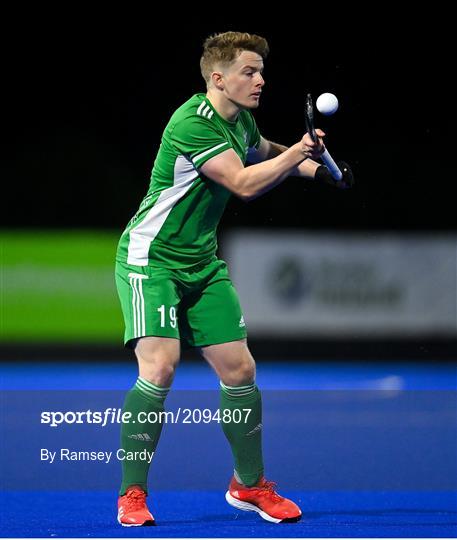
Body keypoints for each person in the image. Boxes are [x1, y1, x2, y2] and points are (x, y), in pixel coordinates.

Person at [114, 30, 353, 527]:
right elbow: (243, 183)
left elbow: (263, 152)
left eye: (261, 70)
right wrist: (301, 153)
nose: (260, 79)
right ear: (217, 78)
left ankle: (248, 485)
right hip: (151, 260)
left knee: (240, 371)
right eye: (250, 71)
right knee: (159, 367)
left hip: (201, 262)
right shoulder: (191, 123)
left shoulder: (240, 120)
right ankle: (131, 493)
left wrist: (317, 170)